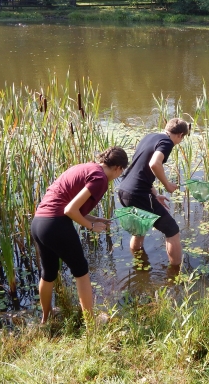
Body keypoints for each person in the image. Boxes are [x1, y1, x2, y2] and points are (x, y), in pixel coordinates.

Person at [31, 146, 128, 323]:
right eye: (120, 173)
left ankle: (46, 318)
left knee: (49, 272)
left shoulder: (85, 168)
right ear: (118, 168)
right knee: (81, 271)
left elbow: (69, 206)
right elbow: (70, 210)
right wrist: (91, 226)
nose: (117, 177)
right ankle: (91, 324)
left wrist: (95, 218)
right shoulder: (100, 179)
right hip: (56, 224)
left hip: (39, 222)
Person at [117, 118, 189, 268]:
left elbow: (140, 170)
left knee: (140, 228)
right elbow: (154, 164)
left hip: (124, 190)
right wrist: (168, 185)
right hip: (138, 194)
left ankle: (139, 266)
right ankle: (175, 273)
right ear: (180, 135)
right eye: (182, 138)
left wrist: (155, 195)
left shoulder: (149, 137)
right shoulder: (167, 142)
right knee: (172, 230)